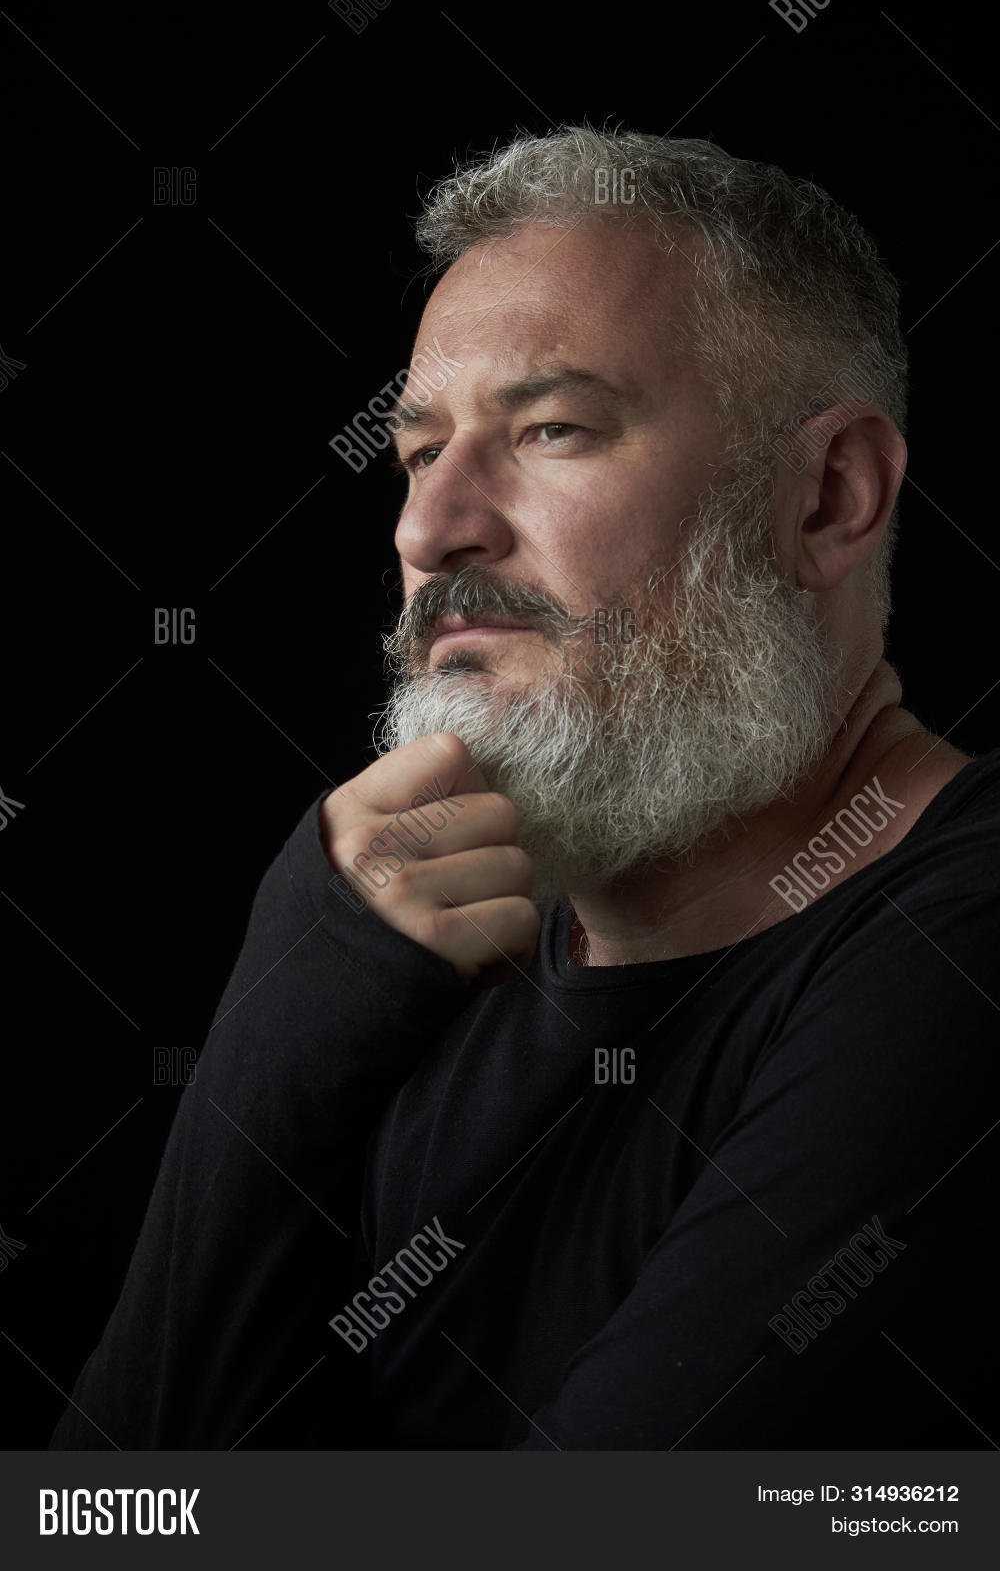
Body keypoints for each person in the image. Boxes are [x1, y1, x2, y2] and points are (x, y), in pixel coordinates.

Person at [50, 126, 999, 1450]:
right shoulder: (398, 964)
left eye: (553, 430)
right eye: (419, 453)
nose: (430, 530)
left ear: (829, 498)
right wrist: (270, 1055)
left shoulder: (962, 951)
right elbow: (115, 1517)